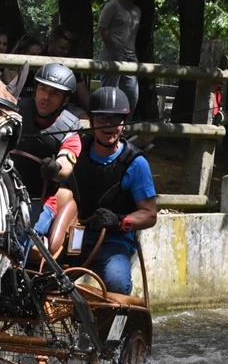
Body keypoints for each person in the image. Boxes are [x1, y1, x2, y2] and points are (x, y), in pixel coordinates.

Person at [57, 86, 157, 295]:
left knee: (117, 283)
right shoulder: (78, 149)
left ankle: (112, 324)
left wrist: (120, 220)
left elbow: (149, 215)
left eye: (115, 120)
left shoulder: (135, 163)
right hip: (75, 235)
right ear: (92, 121)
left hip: (114, 240)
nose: (109, 126)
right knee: (45, 274)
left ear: (124, 122)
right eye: (102, 120)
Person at [13, 63, 82, 240]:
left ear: (64, 100)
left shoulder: (71, 129)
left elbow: (67, 162)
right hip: (3, 192)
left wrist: (55, 168)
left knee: (22, 233)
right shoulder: (14, 112)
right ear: (35, 89)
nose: (46, 97)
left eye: (55, 93)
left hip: (40, 201)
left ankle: (17, 268)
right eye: (43, 89)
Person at [98, 0, 142, 115]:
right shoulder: (113, 5)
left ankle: (123, 128)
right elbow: (102, 28)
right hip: (113, 54)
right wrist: (113, 48)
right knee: (109, 93)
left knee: (132, 95)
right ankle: (103, 123)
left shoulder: (137, 11)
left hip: (131, 56)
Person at [3, 32, 44, 97]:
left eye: (39, 55)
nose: (37, 58)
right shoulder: (10, 70)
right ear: (23, 53)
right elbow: (12, 93)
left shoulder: (41, 71)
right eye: (33, 54)